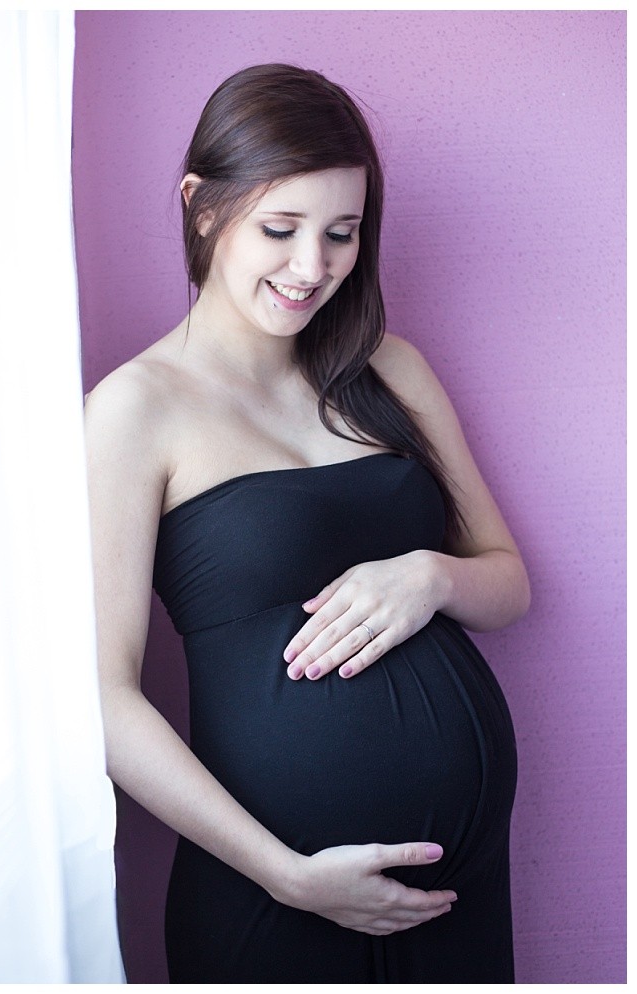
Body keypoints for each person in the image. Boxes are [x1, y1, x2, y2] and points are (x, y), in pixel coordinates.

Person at [84, 64, 529, 983]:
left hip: (461, 889)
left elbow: (509, 584)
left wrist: (429, 575)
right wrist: (286, 876)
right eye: (280, 230)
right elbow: (104, 701)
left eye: (343, 234)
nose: (312, 268)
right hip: (273, 891)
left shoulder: (390, 369)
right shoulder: (135, 411)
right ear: (202, 208)